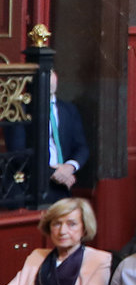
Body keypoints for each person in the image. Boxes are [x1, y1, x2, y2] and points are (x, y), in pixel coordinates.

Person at [3, 68, 89, 199]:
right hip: (29, 187)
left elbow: (82, 147)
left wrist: (69, 167)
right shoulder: (18, 112)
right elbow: (18, 153)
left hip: (63, 185)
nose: (50, 83)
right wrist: (53, 172)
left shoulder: (69, 110)